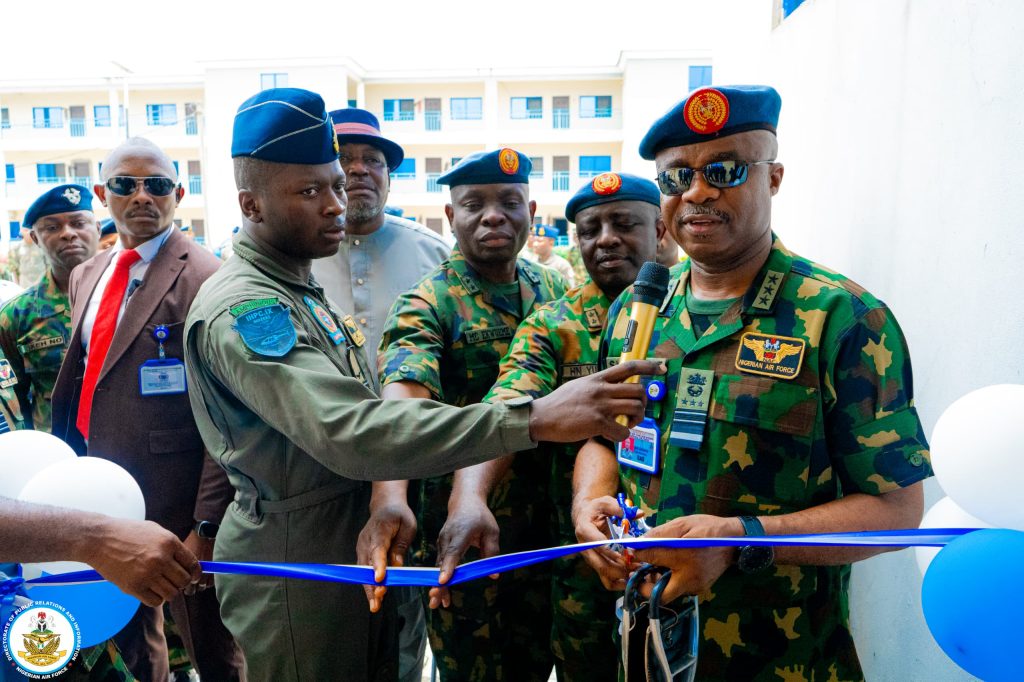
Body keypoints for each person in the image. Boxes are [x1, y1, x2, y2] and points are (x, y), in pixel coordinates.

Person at [183, 87, 658, 682]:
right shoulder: (249, 310)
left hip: (370, 546)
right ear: (250, 205)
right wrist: (534, 418)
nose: (336, 204)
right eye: (310, 191)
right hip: (300, 559)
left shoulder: (299, 289)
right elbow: (354, 430)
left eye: (336, 185)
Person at [572, 85, 933, 681]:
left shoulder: (841, 318)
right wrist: (589, 502)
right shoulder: (638, 310)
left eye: (724, 170)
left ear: (774, 178)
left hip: (783, 659)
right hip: (648, 644)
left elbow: (897, 511)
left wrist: (741, 539)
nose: (697, 192)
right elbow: (602, 437)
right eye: (677, 177)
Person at [50, 138, 244, 682]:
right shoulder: (89, 274)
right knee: (130, 642)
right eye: (125, 184)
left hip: (179, 498)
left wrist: (207, 523)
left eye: (157, 185)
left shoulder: (208, 275)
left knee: (212, 646)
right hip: (100, 488)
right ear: (101, 193)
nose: (142, 196)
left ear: (178, 194)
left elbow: (228, 414)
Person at [370, 149, 566, 681]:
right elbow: (403, 404)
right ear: (451, 216)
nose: (493, 216)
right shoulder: (427, 302)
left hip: (549, 529)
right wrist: (389, 497)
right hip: (465, 535)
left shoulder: (554, 289)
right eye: (474, 204)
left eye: (509, 202)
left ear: (531, 211)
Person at [474, 173, 663, 680]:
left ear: (661, 229)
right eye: (590, 229)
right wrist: (470, 496)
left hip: (687, 558)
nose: (606, 239)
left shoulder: (697, 309)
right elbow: (507, 404)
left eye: (624, 224)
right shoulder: (553, 323)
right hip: (586, 561)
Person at [310, 106, 448, 682]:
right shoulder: (292, 255)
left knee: (403, 618)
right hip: (319, 473)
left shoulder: (434, 254)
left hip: (411, 472)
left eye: (373, 160)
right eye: (345, 158)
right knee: (327, 623)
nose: (360, 169)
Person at [0, 184, 99, 433]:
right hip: (55, 448)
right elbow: (12, 404)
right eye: (52, 227)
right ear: (35, 238)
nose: (68, 234)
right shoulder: (16, 315)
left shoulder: (132, 297)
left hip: (125, 447)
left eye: (78, 223)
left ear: (97, 228)